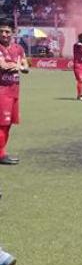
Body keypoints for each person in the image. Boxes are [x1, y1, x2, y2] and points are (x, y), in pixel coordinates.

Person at [0, 16, 28, 165]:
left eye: (7, 31)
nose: (4, 34)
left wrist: (20, 66)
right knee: (2, 124)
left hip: (14, 91)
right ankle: (0, 155)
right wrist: (17, 66)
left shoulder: (19, 48)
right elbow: (3, 66)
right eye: (1, 31)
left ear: (13, 32)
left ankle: (2, 153)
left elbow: (26, 67)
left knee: (8, 124)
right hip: (2, 91)